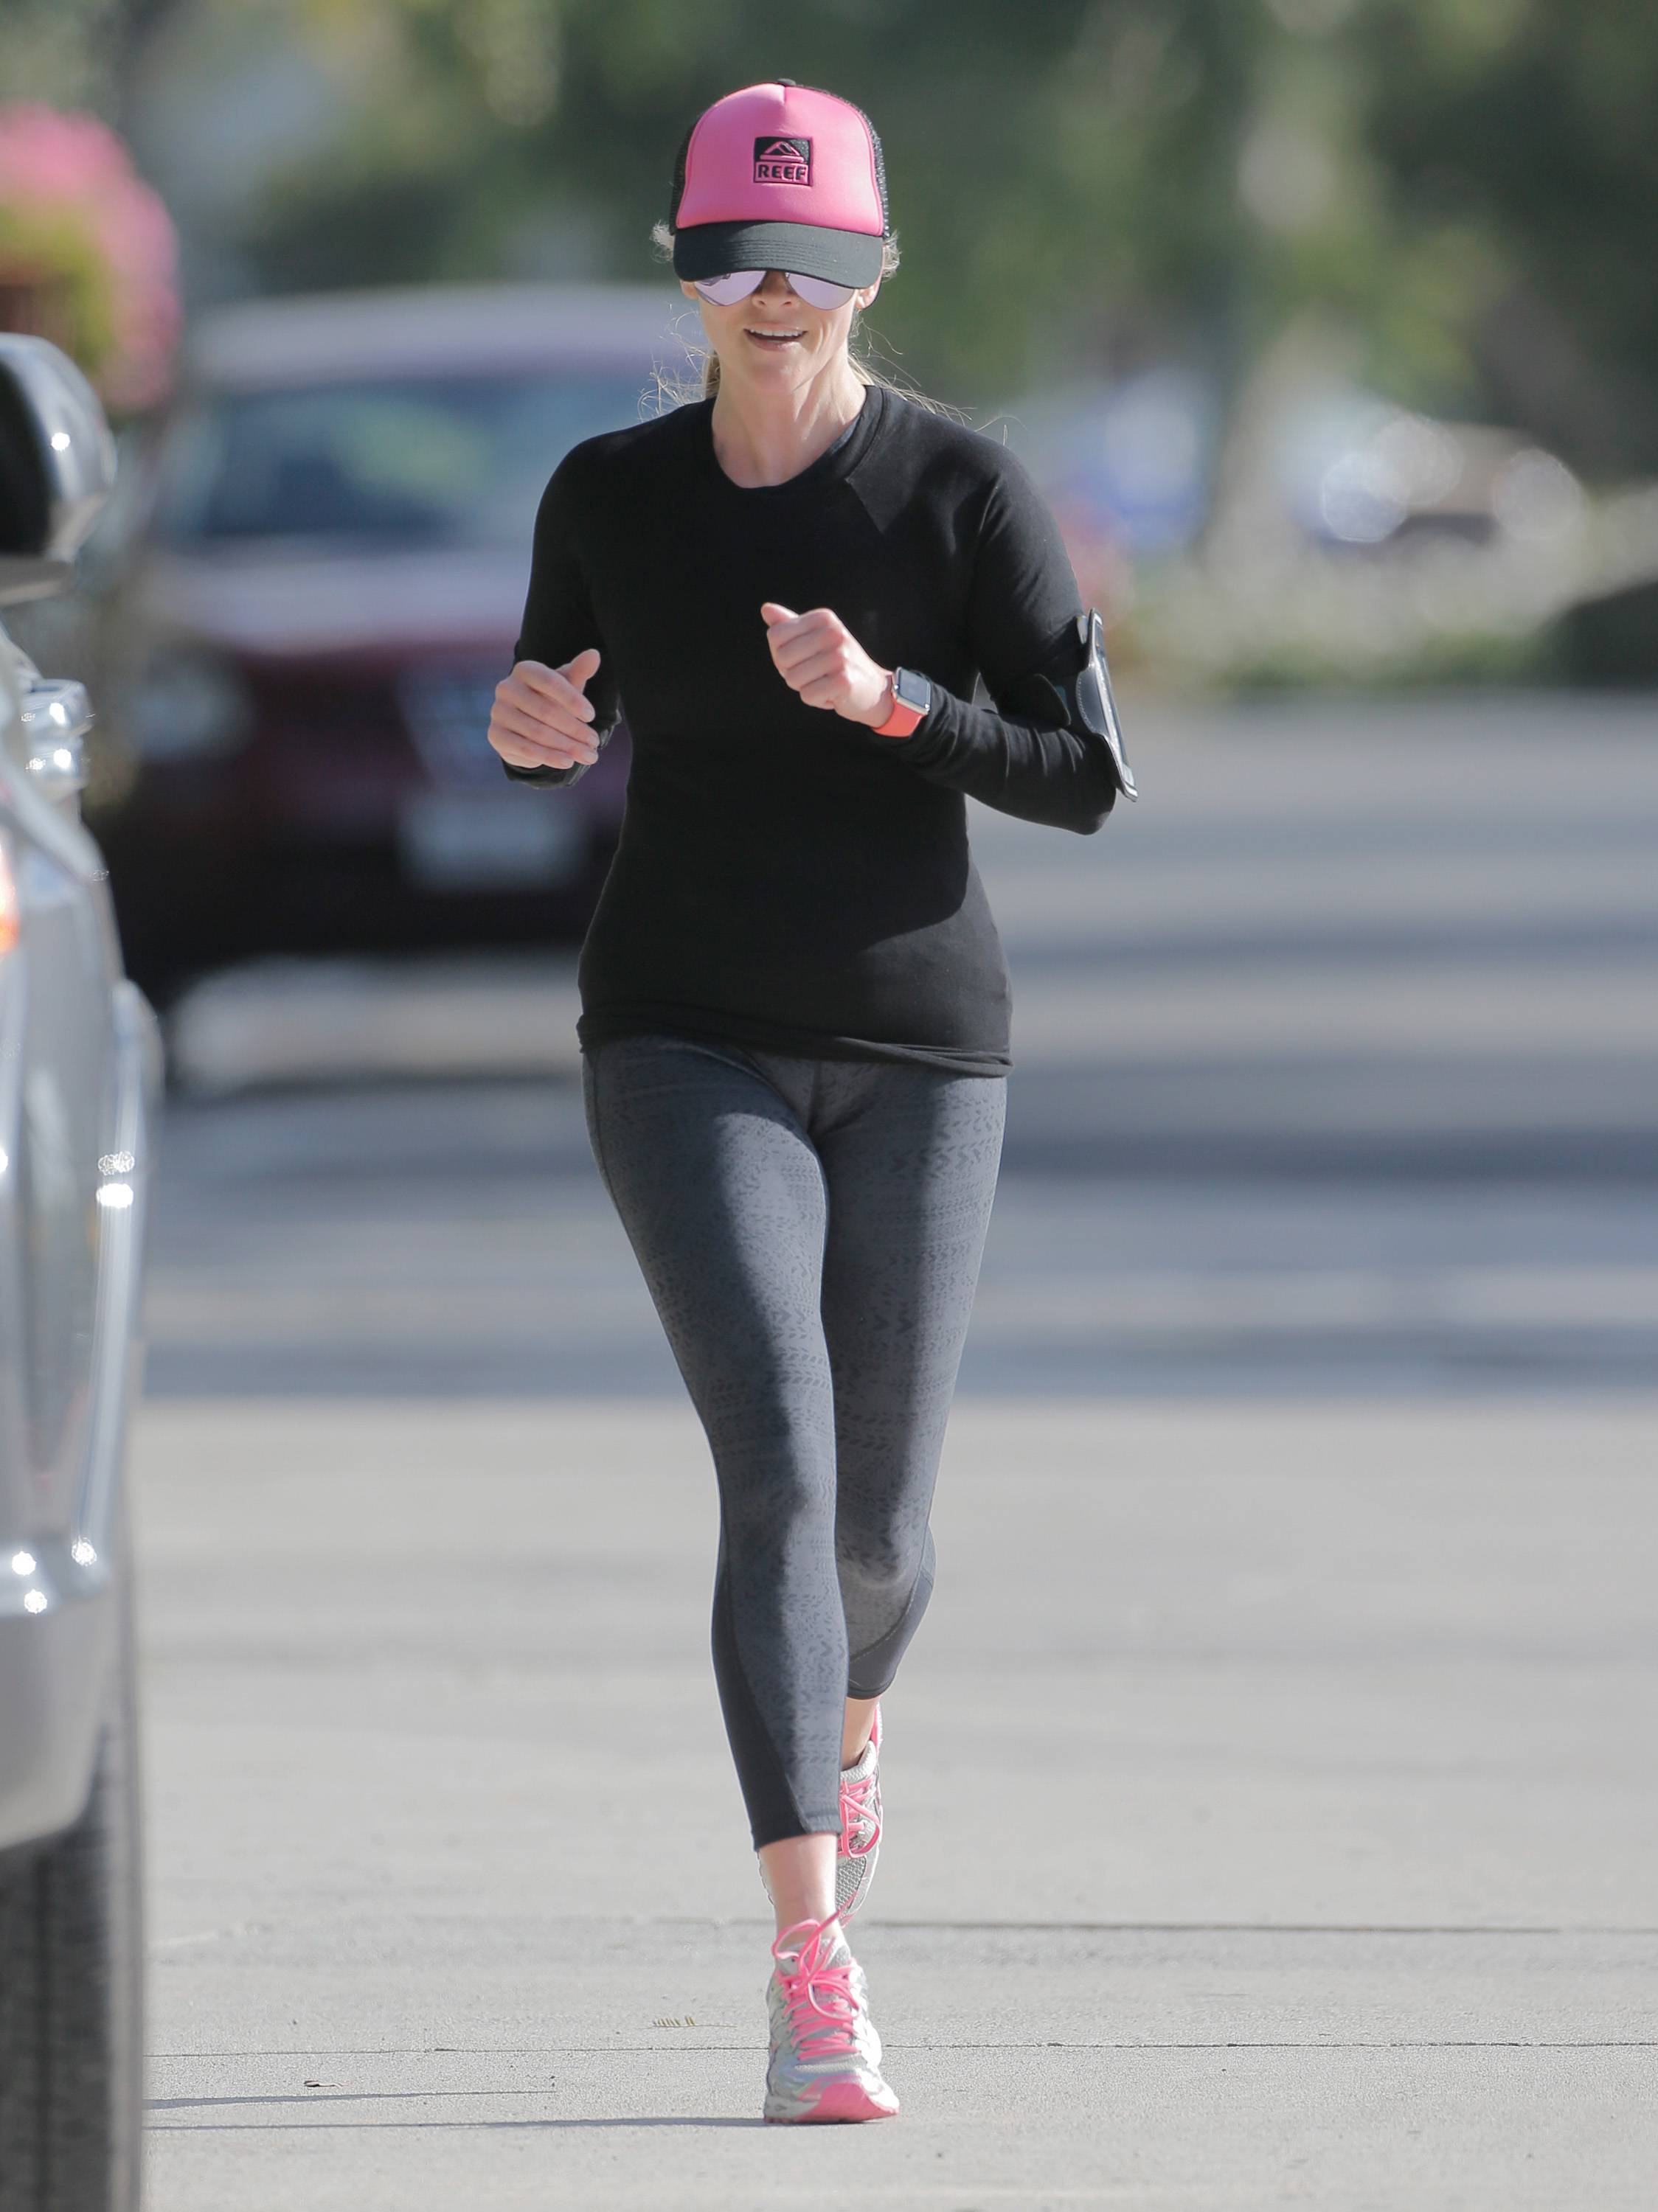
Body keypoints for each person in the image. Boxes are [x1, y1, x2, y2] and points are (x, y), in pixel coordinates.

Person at [486, 77, 1132, 2126]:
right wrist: (527, 732)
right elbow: (547, 706)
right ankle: (811, 1960)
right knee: (774, 1465)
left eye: (818, 266)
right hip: (677, 1032)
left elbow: (1089, 770)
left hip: (925, 1049)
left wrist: (891, 704)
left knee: (880, 1533)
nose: (780, 298)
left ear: (872, 274)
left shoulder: (960, 497)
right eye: (746, 264)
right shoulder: (610, 494)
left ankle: (846, 1719)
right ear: (692, 272)